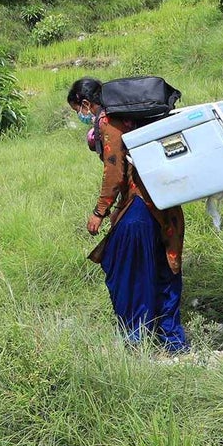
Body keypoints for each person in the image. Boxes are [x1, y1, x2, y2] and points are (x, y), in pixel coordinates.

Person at [68, 77, 188, 353]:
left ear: (87, 103)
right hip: (167, 205)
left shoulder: (108, 121)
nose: (81, 116)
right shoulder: (137, 119)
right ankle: (173, 343)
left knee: (124, 271)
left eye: (78, 110)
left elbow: (114, 170)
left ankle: (137, 341)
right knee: (164, 269)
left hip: (140, 209)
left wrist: (100, 211)